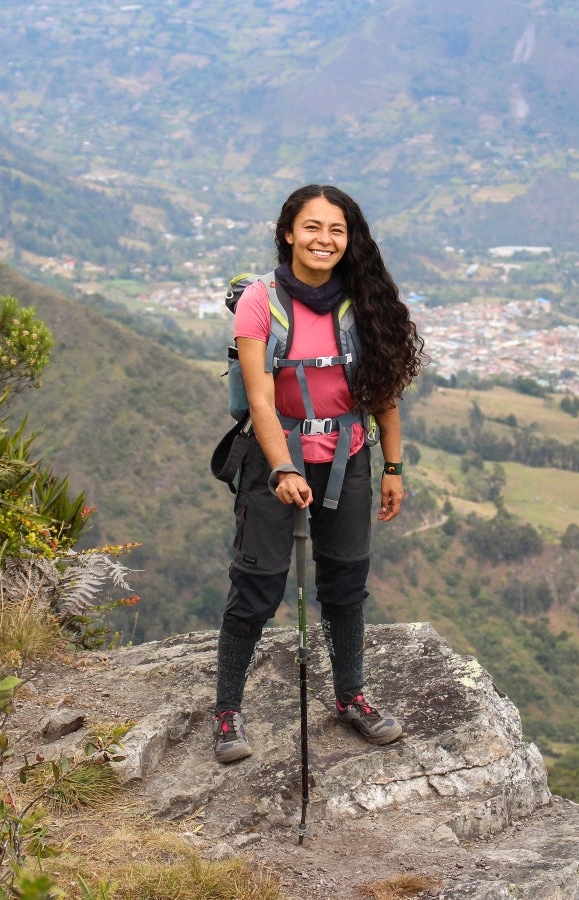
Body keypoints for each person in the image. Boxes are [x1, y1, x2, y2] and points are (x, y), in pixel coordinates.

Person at [212, 184, 427, 763]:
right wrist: (282, 466)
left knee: (345, 585)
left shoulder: (364, 301)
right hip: (272, 454)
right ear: (288, 233)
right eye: (312, 227)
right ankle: (228, 711)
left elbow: (384, 391)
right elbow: (259, 398)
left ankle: (350, 695)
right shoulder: (260, 300)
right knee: (256, 587)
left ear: (349, 238)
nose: (324, 239)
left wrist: (393, 467)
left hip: (350, 457)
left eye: (336, 230)